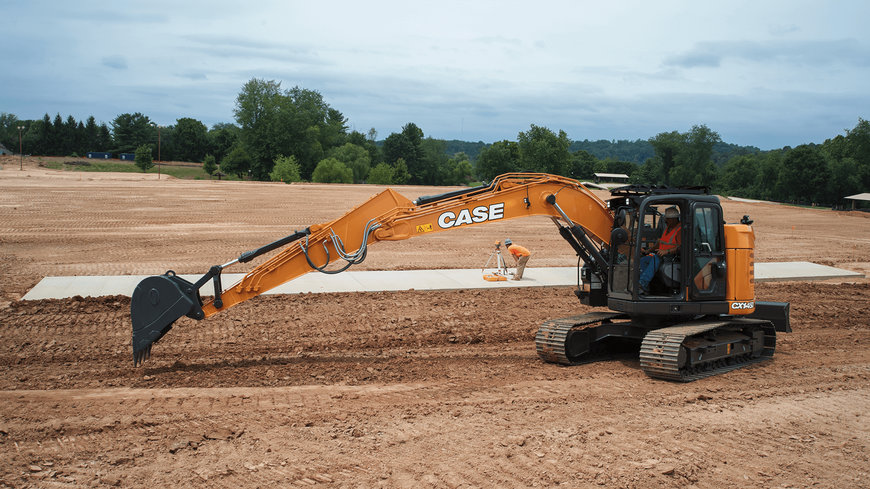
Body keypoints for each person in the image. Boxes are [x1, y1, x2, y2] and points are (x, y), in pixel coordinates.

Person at [638, 206, 681, 294]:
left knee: (655, 259)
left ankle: (642, 284)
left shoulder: (680, 230)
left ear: (674, 219)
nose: (665, 221)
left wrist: (666, 251)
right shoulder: (668, 228)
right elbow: (659, 243)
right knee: (643, 260)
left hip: (671, 257)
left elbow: (681, 247)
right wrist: (648, 251)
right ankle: (644, 286)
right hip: (662, 255)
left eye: (667, 219)